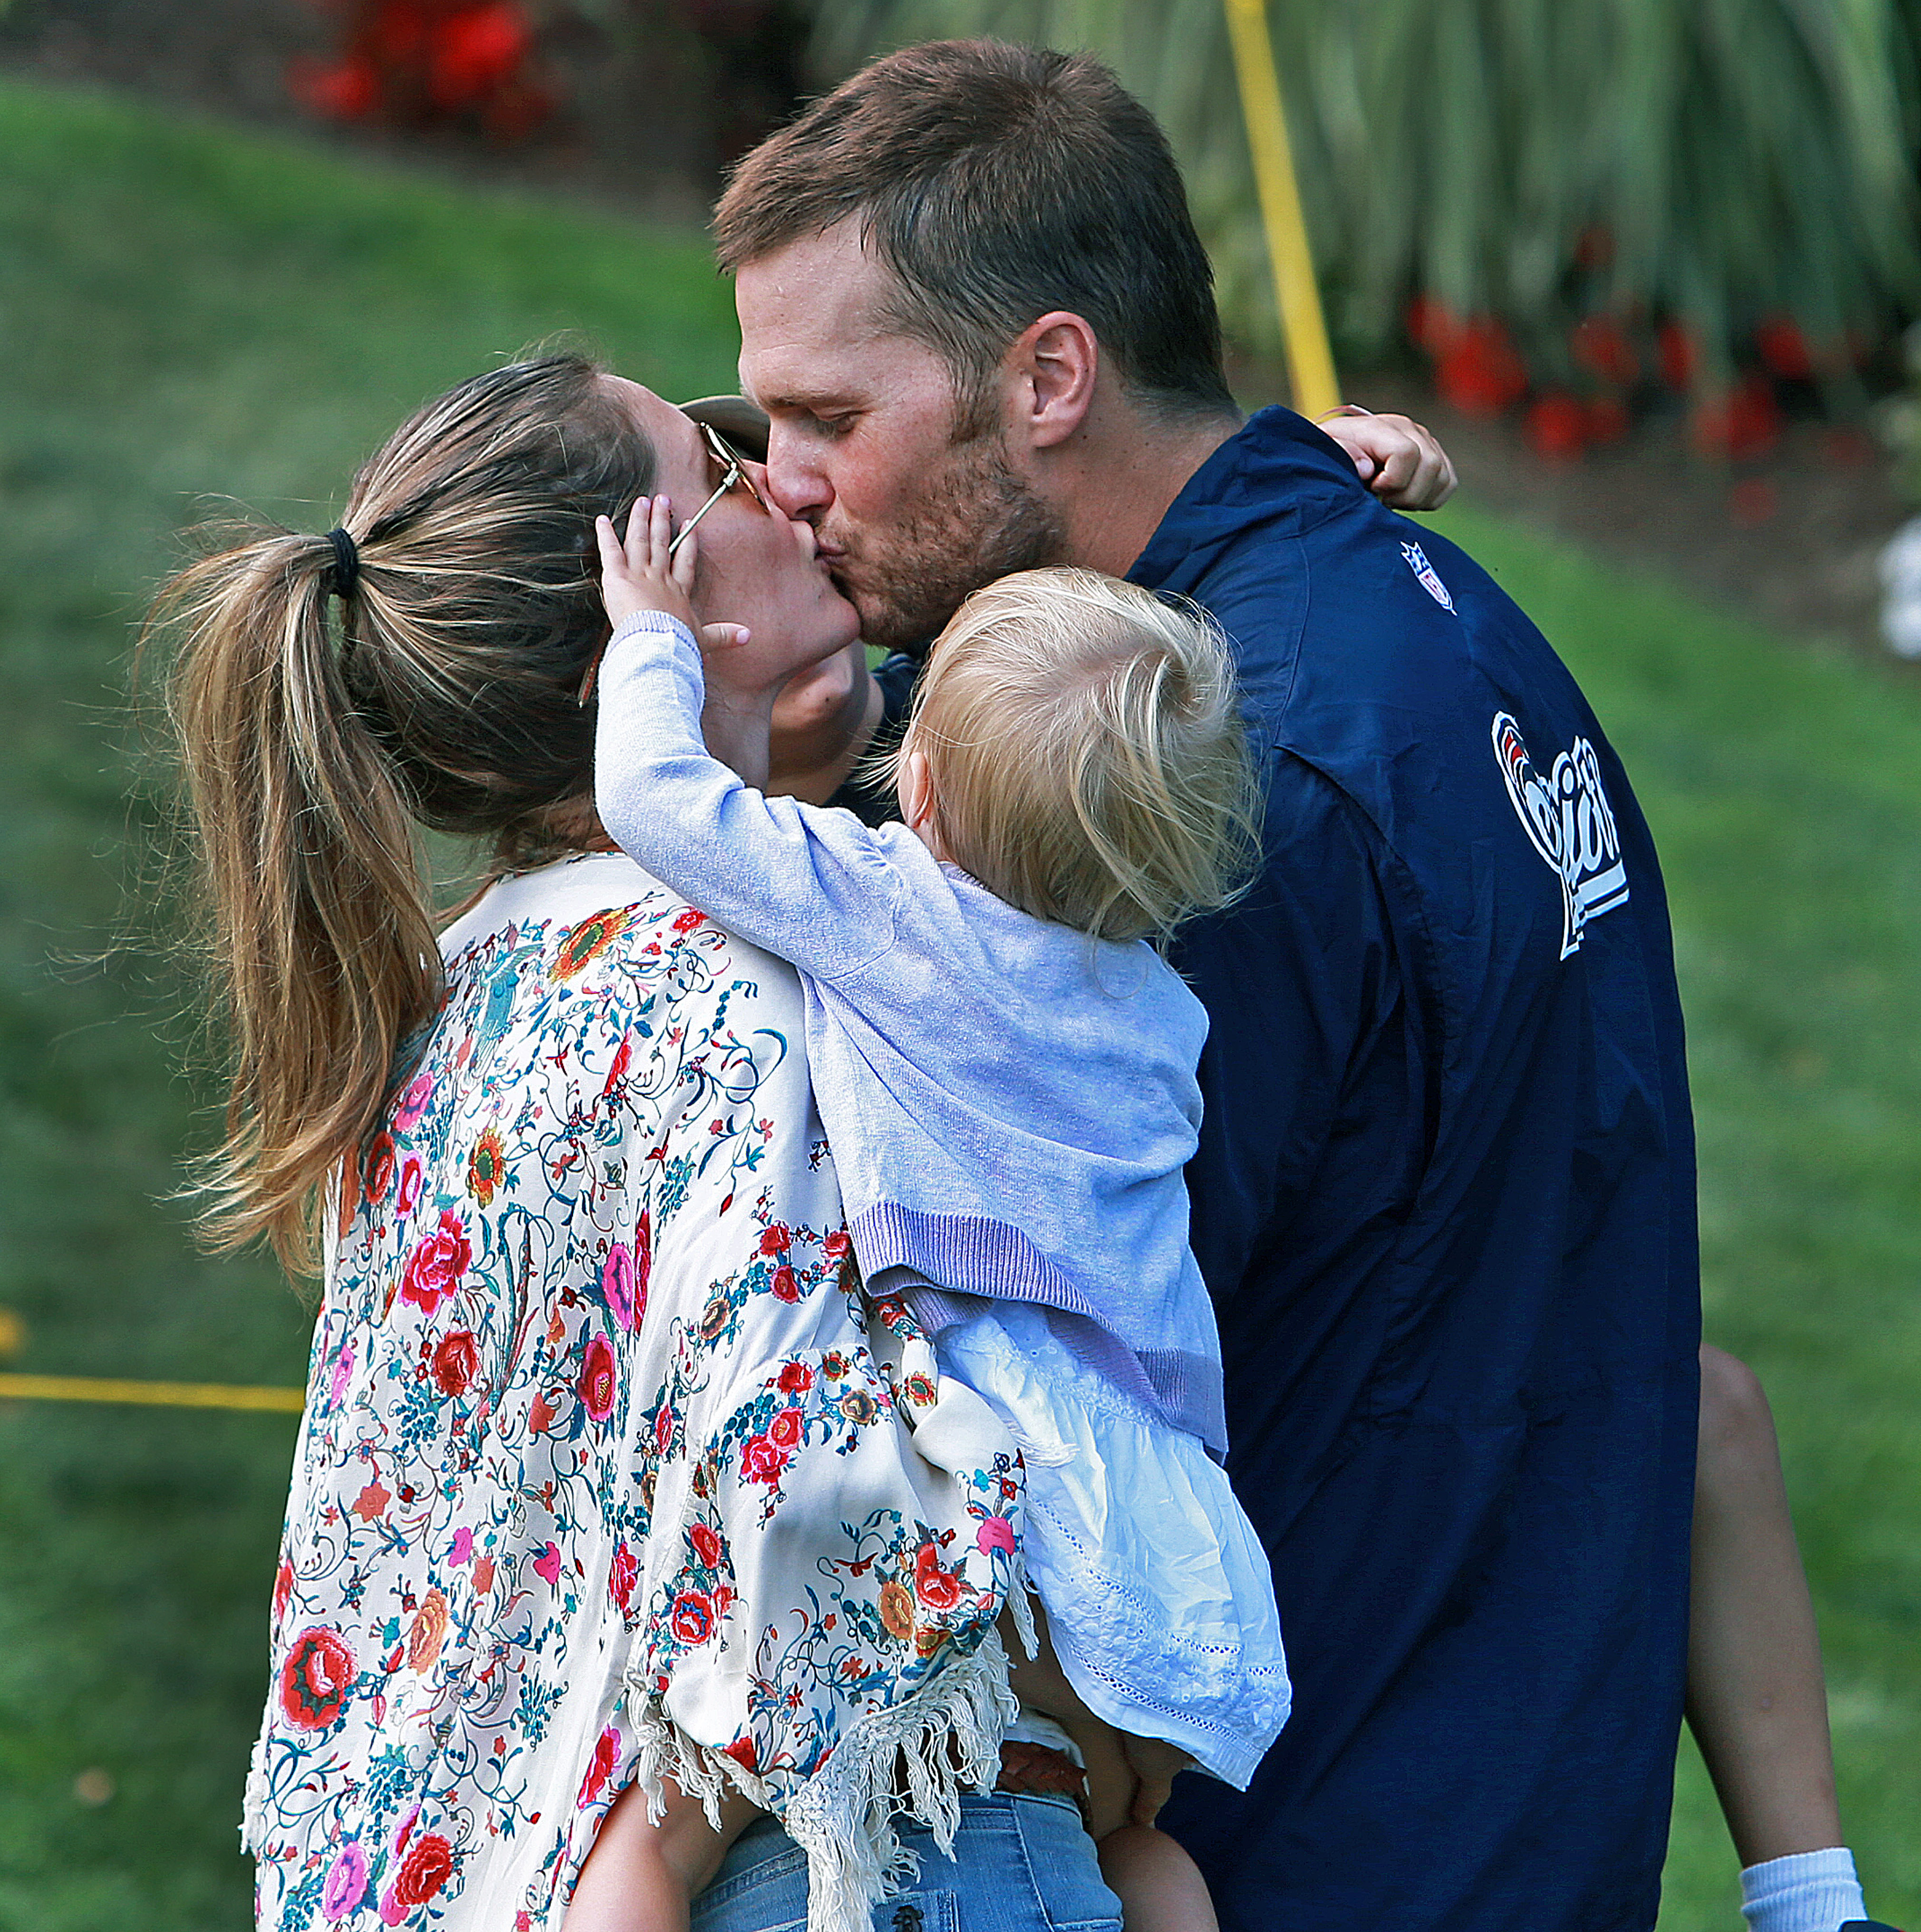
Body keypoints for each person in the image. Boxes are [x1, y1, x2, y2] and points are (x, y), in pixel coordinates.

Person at [706, 39, 1888, 1932]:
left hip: (1331, 1841)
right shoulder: (1425, 619)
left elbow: (1029, 1359)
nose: (790, 485)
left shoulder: (1206, 798)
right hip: (1511, 1809)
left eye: (827, 415)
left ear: (1050, 376)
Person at [149, 353, 1127, 1932]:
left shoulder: (446, 1003)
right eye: (722, 474)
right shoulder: (744, 985)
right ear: (643, 633)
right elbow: (817, 1500)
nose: (789, 492)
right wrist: (1085, 1671)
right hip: (822, 1874)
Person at [574, 497, 1291, 1932]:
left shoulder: (889, 909)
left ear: (925, 794)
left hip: (963, 1451)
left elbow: (655, 801)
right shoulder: (1156, 1013)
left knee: (675, 1834)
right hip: (1142, 1505)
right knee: (1131, 1817)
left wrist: (652, 641)